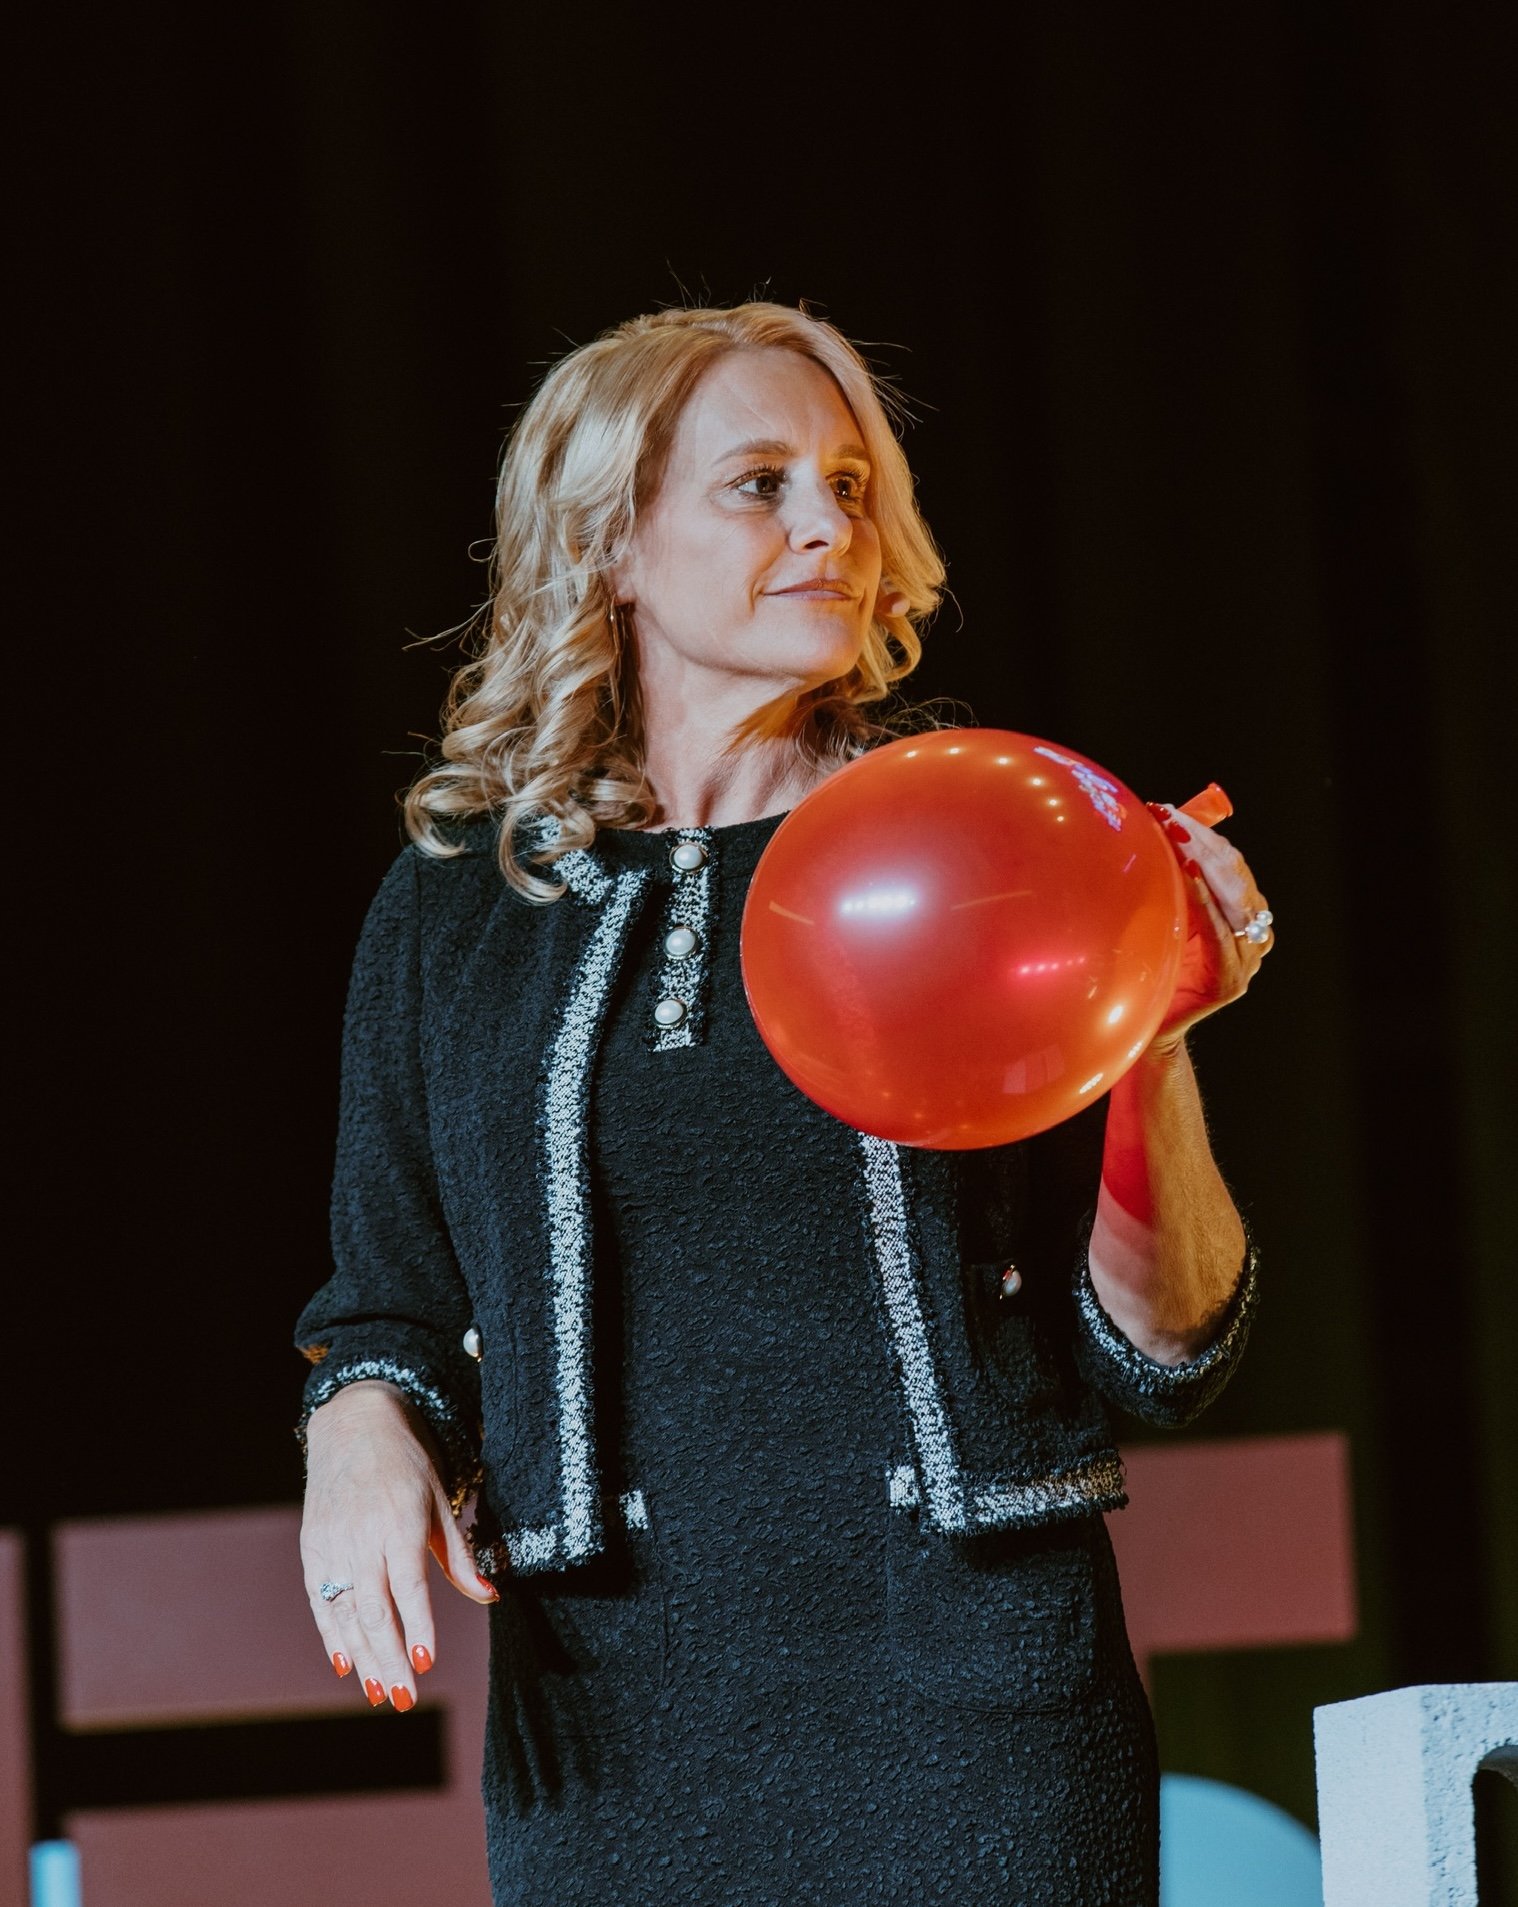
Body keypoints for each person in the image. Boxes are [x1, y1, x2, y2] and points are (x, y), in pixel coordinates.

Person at [295, 301, 1272, 1905]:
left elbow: (1163, 1351)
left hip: (975, 1704)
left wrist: (1148, 1042)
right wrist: (356, 1429)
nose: (832, 526)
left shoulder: (984, 847)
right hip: (610, 1724)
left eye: (848, 483)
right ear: (607, 544)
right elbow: (384, 1300)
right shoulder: (462, 904)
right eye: (760, 485)